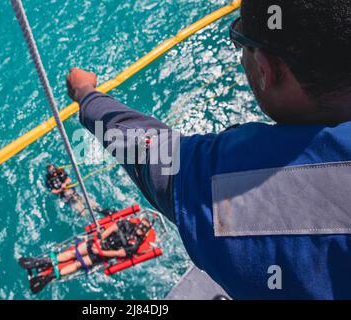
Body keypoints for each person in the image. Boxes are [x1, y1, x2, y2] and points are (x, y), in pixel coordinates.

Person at [65, 1, 351, 299]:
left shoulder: (235, 188)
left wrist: (86, 95)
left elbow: (147, 152)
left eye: (241, 42)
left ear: (267, 69)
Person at [20, 218, 152, 293]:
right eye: (141, 226)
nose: (140, 229)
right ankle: (47, 261)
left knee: (77, 264)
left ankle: (50, 277)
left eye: (143, 229)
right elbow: (111, 228)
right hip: (99, 243)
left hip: (103, 254)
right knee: (73, 252)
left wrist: (100, 252)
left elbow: (119, 253)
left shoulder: (135, 245)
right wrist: (98, 241)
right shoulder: (127, 224)